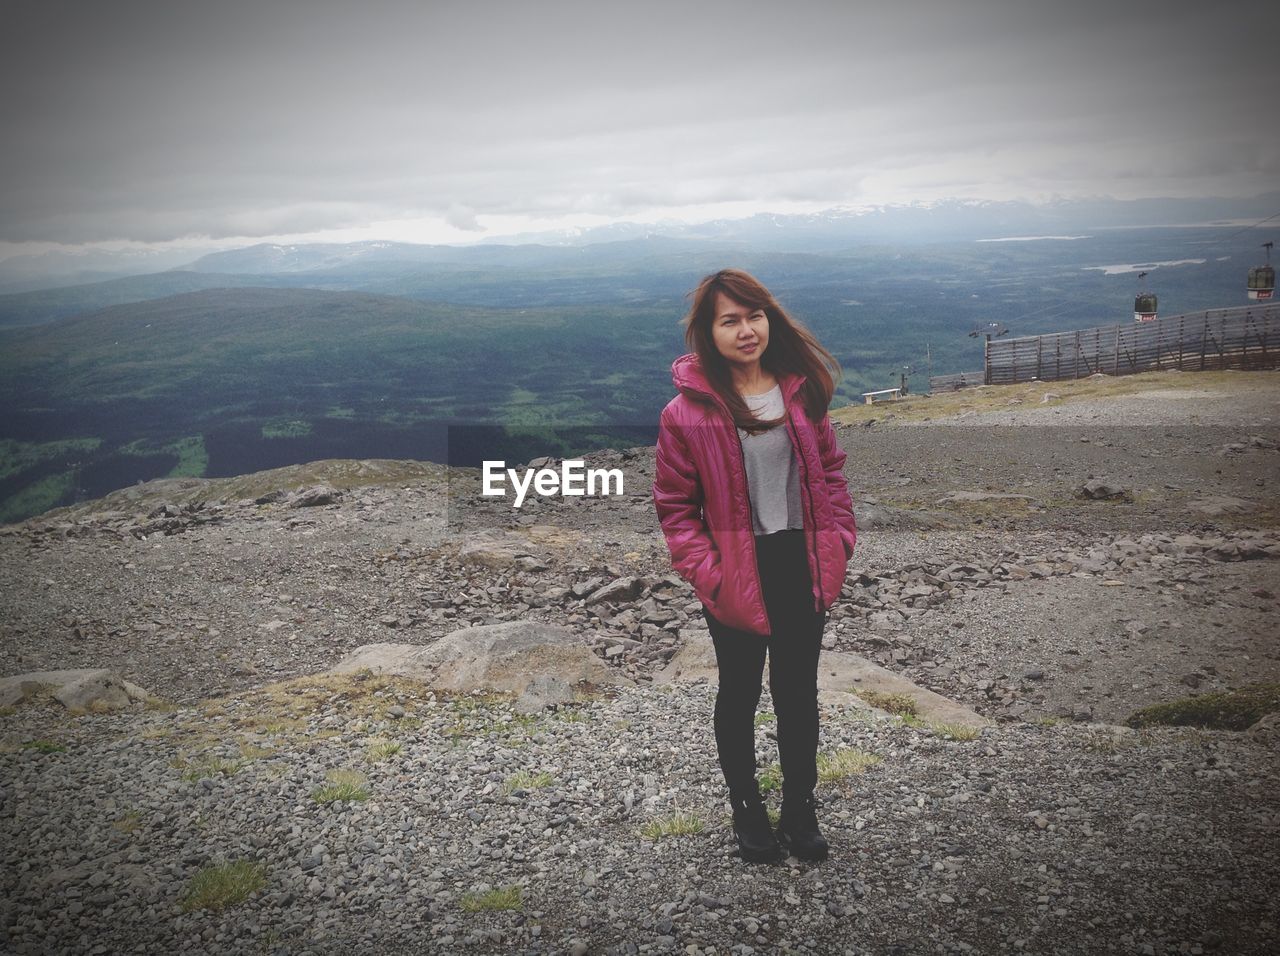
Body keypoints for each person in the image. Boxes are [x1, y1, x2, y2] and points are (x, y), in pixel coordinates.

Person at [652, 268, 858, 864]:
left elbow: (832, 473)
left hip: (801, 561)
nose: (747, 330)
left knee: (797, 694)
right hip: (735, 568)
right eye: (730, 320)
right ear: (707, 332)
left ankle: (800, 808)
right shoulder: (684, 412)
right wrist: (709, 574)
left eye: (755, 316)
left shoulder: (803, 390)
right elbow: (675, 507)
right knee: (739, 693)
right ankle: (747, 809)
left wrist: (839, 540)